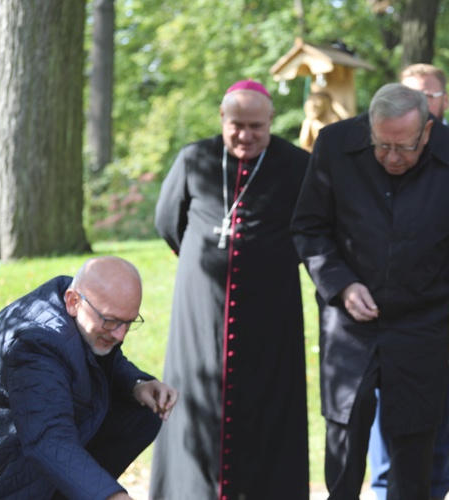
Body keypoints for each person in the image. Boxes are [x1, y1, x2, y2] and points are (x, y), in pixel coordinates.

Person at [291, 82, 449, 499]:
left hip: (425, 321)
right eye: (382, 146)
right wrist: (341, 285)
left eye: (405, 147)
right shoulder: (334, 144)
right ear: (369, 130)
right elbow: (308, 228)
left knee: (415, 445)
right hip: (350, 322)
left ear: (427, 130)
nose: (392, 158)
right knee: (344, 433)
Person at [150, 80, 310, 499]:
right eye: (237, 124)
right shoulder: (195, 158)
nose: (246, 134)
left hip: (271, 308)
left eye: (256, 126)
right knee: (193, 394)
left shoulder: (296, 164)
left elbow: (312, 228)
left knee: (268, 401)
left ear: (272, 121)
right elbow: (169, 222)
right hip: (199, 308)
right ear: (222, 119)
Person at [367, 62, 449, 500]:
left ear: (443, 101)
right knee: (385, 425)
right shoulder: (378, 155)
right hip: (384, 320)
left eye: (428, 96)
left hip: (441, 316)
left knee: (437, 422)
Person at [0, 256, 178, 500]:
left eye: (129, 323)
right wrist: (111, 496)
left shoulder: (84, 305)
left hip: (31, 444)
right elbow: (48, 439)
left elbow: (105, 360)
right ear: (73, 301)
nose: (121, 335)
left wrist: (137, 385)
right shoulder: (36, 345)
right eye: (112, 321)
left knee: (141, 412)